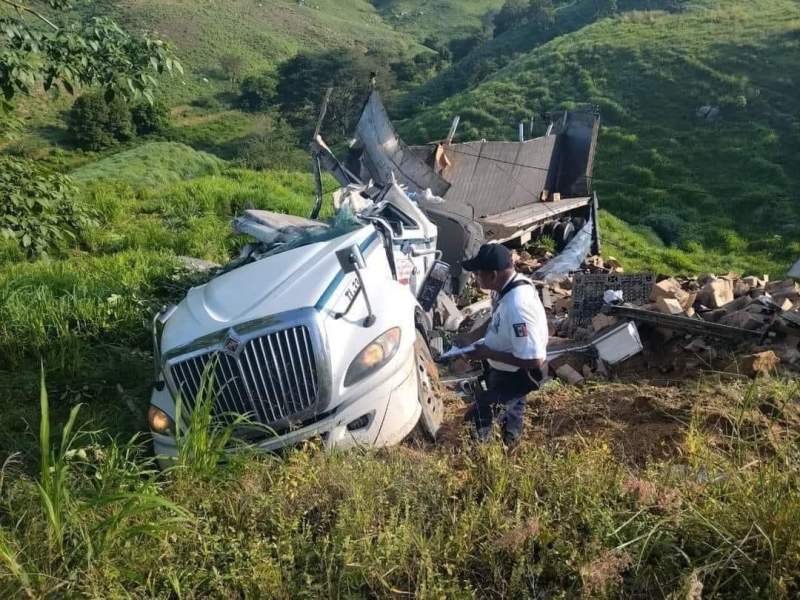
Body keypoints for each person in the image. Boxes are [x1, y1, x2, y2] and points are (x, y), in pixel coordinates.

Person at [458, 243, 548, 445]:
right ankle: (510, 444)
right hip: (503, 368)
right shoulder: (503, 289)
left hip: (518, 375)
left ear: (494, 274)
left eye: (478, 273)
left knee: (479, 416)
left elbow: (534, 359)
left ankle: (482, 456)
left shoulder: (518, 306)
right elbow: (496, 318)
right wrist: (472, 337)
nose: (475, 277)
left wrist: (487, 353)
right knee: (510, 414)